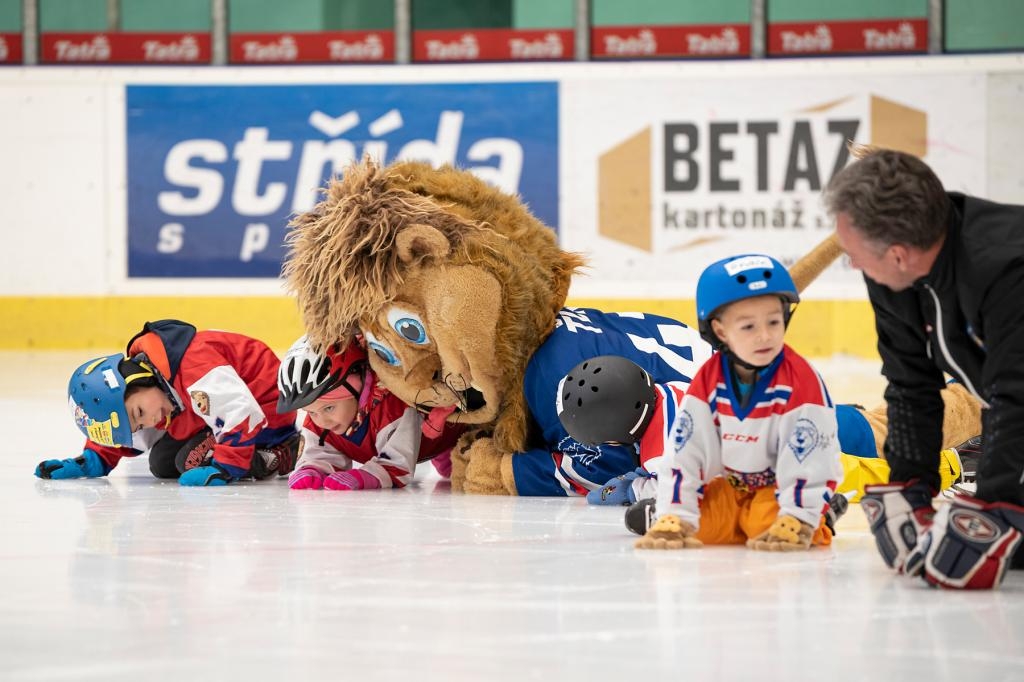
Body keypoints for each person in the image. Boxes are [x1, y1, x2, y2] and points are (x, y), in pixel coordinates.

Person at [825, 147, 1024, 589]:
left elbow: (1017, 397)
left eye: (855, 254)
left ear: (898, 254)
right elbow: (911, 384)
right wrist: (911, 483)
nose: (854, 264)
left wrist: (995, 502)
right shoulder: (894, 277)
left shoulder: (1007, 267)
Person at [37, 319, 300, 486]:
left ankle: (280, 452)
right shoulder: (154, 386)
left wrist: (227, 466)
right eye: (138, 424)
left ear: (137, 379)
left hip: (264, 410)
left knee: (188, 461)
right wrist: (93, 459)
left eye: (139, 412)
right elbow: (127, 422)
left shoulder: (194, 367)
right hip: (210, 412)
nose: (149, 422)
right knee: (163, 464)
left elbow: (238, 411)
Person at [278, 335, 465, 491]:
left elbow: (397, 465)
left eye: (329, 408)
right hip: (423, 445)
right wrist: (311, 468)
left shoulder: (395, 407)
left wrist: (365, 477)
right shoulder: (322, 417)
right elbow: (319, 453)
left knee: (455, 468)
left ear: (357, 386)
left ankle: (446, 453)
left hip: (454, 434)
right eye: (310, 412)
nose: (322, 421)